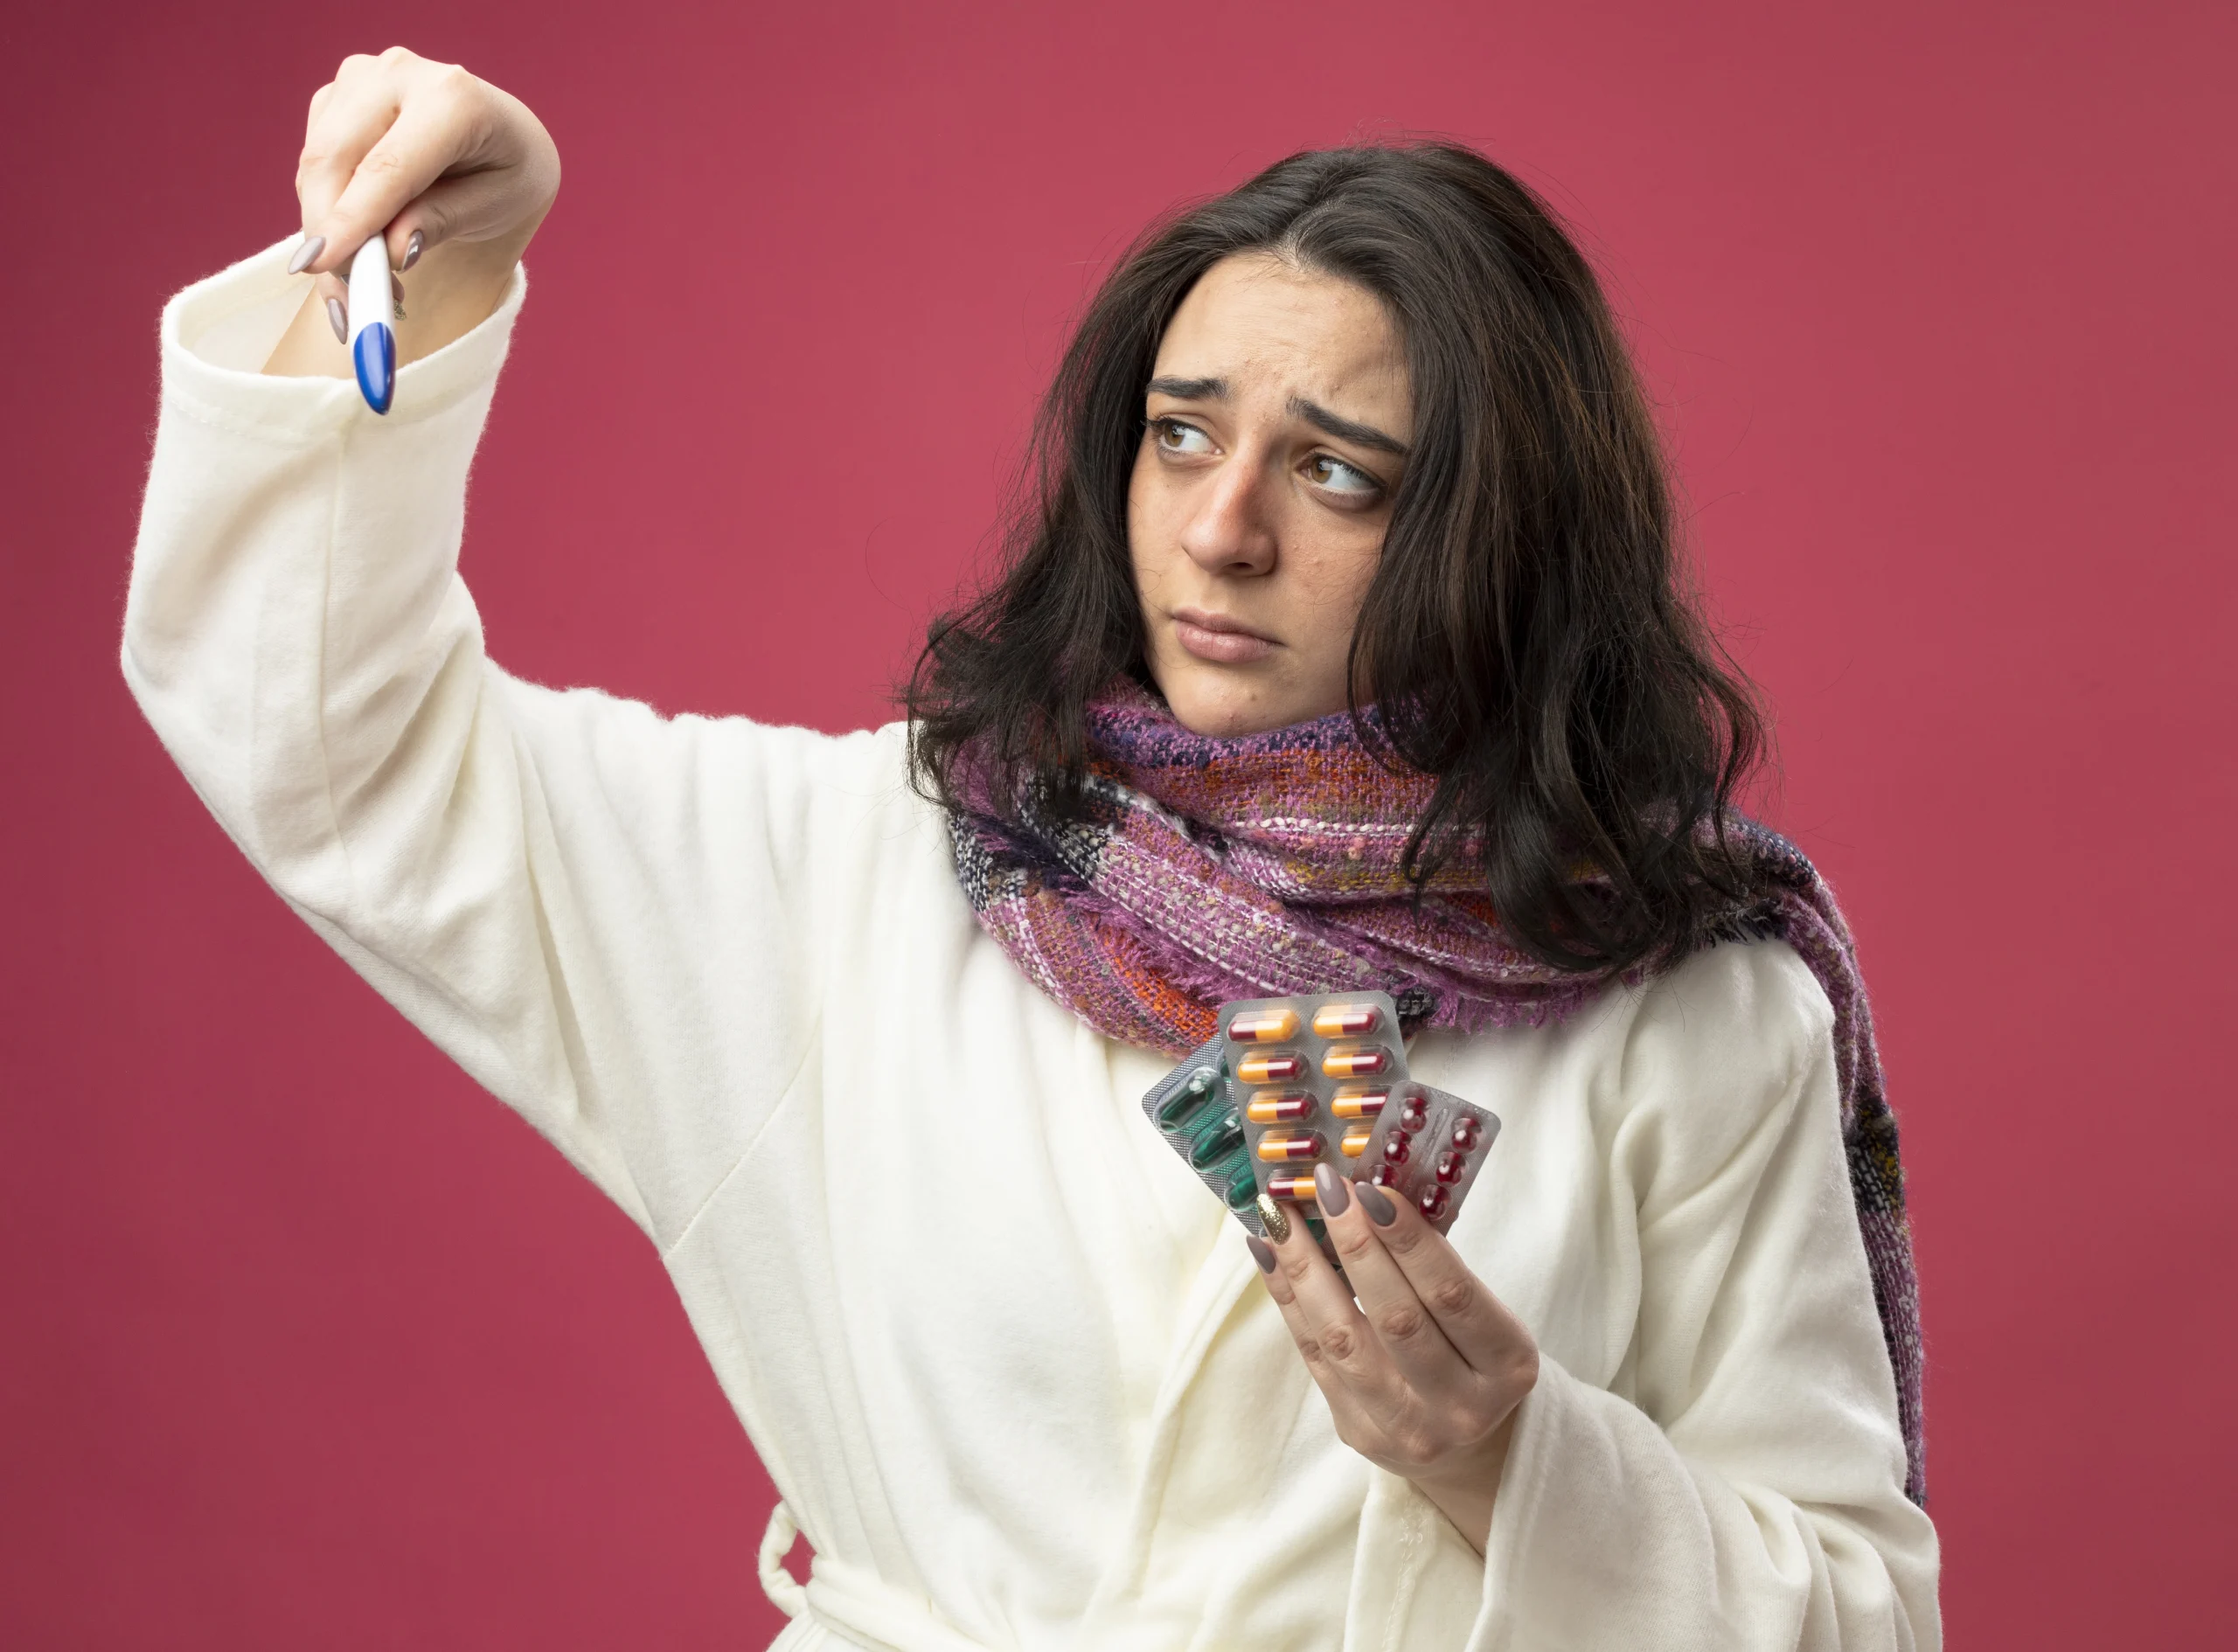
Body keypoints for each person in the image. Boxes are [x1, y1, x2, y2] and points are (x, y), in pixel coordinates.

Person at [123, 45, 1941, 1652]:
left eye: (1333, 473)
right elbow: (325, 739)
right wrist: (438, 260)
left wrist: (1513, 1464)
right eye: (1178, 436)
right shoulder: (862, 869)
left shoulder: (1695, 1006)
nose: (1218, 531)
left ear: (1503, 531)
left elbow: (1859, 1623)